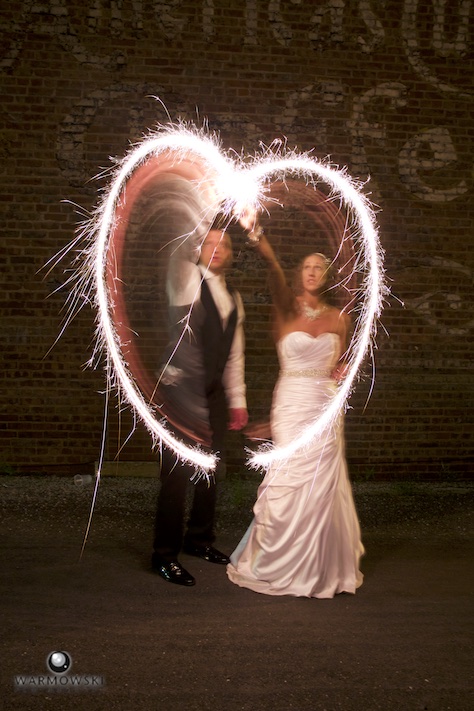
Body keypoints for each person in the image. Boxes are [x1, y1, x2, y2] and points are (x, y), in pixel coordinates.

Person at [227, 215, 364, 598]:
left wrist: (342, 370)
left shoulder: (340, 318)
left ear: (327, 276)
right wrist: (257, 235)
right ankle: (279, 560)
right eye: (307, 267)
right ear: (299, 273)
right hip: (291, 403)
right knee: (289, 478)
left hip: (325, 405)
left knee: (322, 481)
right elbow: (272, 269)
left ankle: (320, 565)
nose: (313, 272)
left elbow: (347, 362)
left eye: (320, 268)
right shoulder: (286, 309)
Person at [152, 211, 248, 587]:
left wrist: (237, 400)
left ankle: (199, 539)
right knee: (175, 478)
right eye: (209, 242)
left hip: (213, 397)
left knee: (210, 472)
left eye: (224, 244)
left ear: (231, 253)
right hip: (180, 392)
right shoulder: (187, 279)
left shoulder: (235, 299)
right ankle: (164, 555)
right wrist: (201, 206)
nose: (217, 248)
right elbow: (178, 253)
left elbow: (235, 355)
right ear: (198, 249)